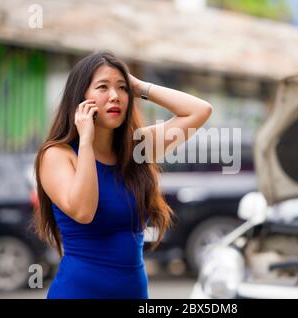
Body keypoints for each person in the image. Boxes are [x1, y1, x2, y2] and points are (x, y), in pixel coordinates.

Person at [33, 51, 213, 299]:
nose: (115, 96)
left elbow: (199, 111)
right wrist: (86, 140)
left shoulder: (137, 147)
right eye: (102, 87)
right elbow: (84, 211)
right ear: (80, 97)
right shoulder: (57, 155)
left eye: (121, 88)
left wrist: (140, 86)